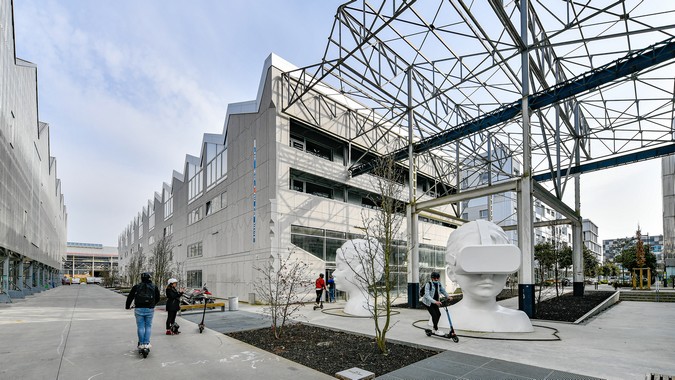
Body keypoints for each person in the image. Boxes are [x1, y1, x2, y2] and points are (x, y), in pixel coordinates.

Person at [443, 220, 533, 332]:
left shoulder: (520, 321)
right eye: (474, 262)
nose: (487, 274)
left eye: (497, 262)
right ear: (451, 273)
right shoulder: (441, 317)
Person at [332, 238, 384, 316]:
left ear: (360, 271)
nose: (333, 273)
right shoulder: (354, 304)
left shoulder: (362, 306)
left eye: (340, 267)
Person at [125, 272, 161, 349]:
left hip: (139, 308)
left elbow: (130, 297)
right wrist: (153, 304)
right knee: (148, 326)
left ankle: (141, 343)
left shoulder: (136, 286)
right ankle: (147, 343)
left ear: (141, 278)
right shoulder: (154, 286)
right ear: (149, 278)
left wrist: (127, 306)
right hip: (149, 309)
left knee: (140, 327)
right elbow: (158, 298)